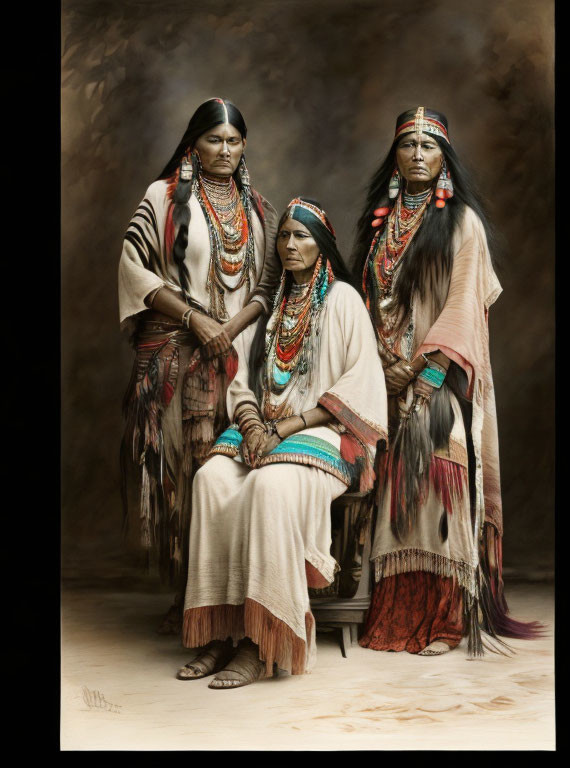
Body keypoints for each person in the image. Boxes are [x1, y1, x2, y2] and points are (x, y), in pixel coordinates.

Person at [176, 198, 387, 688]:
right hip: (265, 430)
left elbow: (362, 384)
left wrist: (286, 429)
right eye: (285, 236)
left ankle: (261, 640)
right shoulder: (273, 309)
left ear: (323, 245)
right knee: (210, 479)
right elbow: (242, 381)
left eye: (303, 237)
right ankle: (221, 633)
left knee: (268, 487)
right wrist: (252, 426)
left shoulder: (343, 301)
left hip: (328, 433)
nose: (291, 245)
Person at [355, 107, 542, 656]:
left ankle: (444, 618)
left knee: (438, 459)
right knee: (382, 471)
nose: (416, 155)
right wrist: (378, 366)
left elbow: (462, 308)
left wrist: (421, 373)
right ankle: (392, 610)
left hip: (440, 378)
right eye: (407, 145)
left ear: (444, 158)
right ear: (394, 157)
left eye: (428, 146)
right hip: (379, 375)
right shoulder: (380, 222)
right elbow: (365, 304)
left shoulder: (463, 223)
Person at [118, 98, 281, 633]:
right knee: (183, 478)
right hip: (174, 357)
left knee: (226, 471)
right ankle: (190, 597)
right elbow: (133, 268)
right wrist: (194, 319)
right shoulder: (162, 197)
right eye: (215, 140)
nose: (226, 150)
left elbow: (267, 284)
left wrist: (227, 330)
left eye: (235, 141)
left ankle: (229, 599)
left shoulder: (256, 208)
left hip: (237, 361)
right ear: (194, 144)